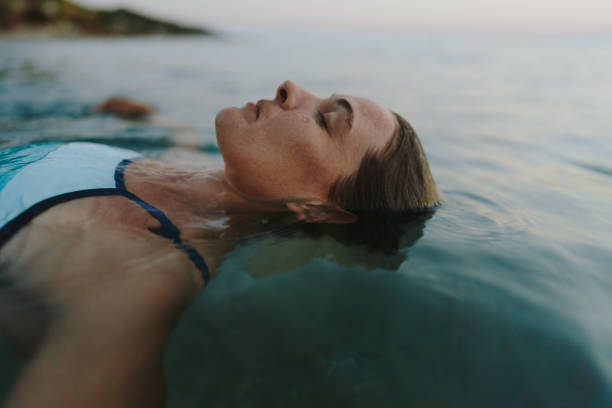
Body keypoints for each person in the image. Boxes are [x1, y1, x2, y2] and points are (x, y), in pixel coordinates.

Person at [0, 80, 440, 408]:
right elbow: (182, 144)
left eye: (327, 119)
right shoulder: (187, 170)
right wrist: (148, 117)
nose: (291, 88)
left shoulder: (141, 275)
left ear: (319, 210)